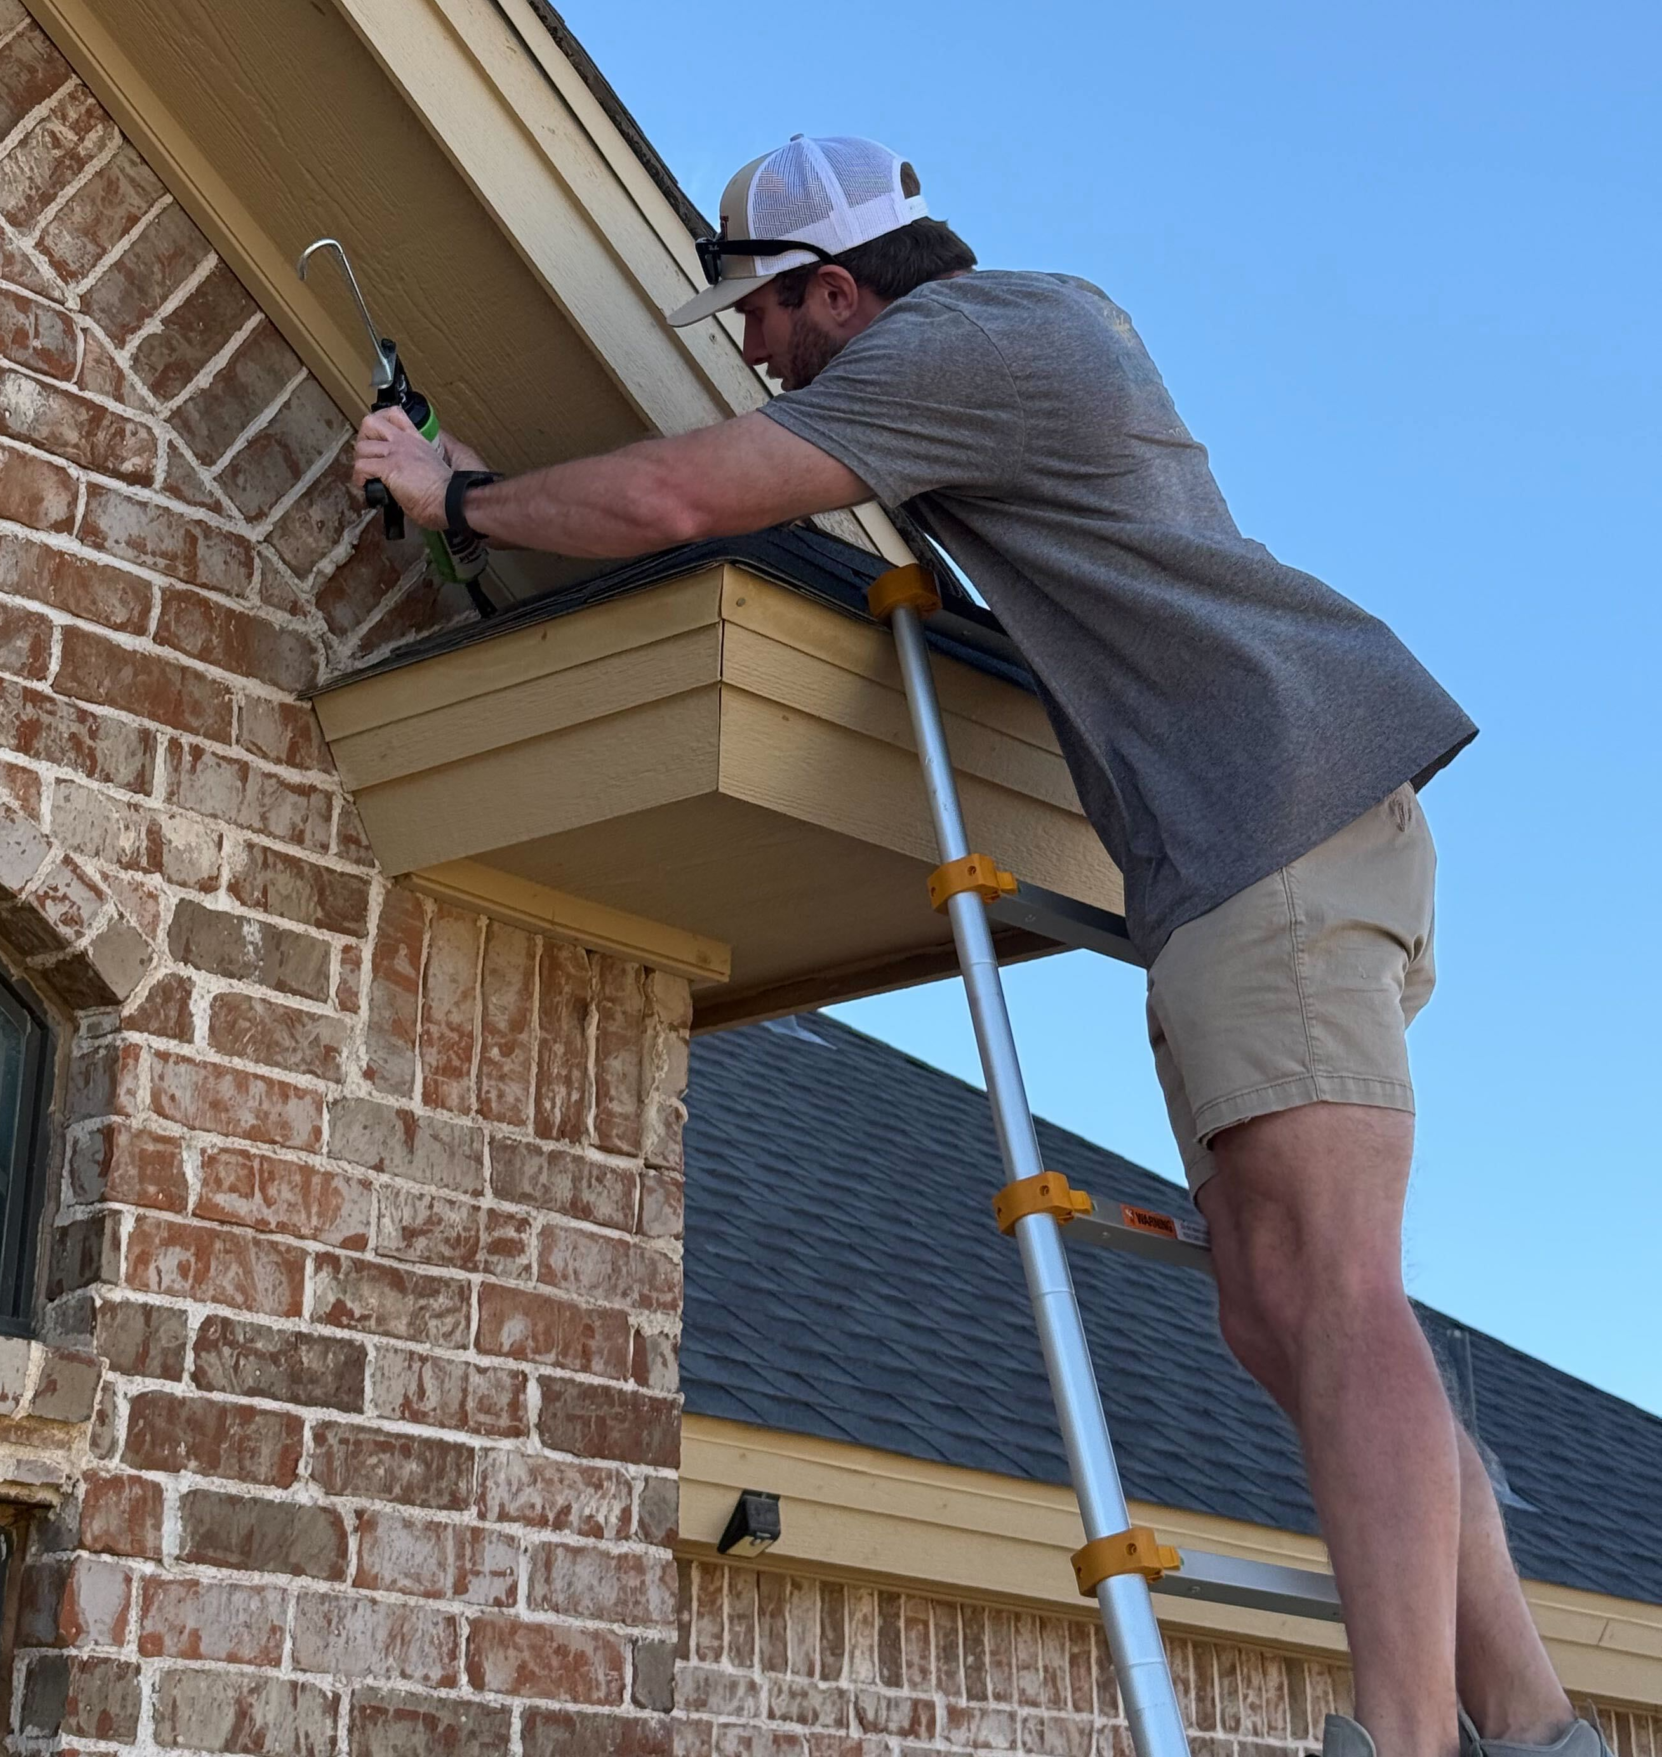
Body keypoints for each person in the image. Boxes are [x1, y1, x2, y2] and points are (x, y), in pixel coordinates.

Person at [350, 132, 1595, 1757]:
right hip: (1259, 839)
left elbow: (681, 488)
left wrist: (464, 494)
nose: (755, 358)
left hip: (1274, 816)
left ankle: (1408, 1740)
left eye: (763, 320)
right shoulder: (1012, 344)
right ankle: (1528, 1720)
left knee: (1329, 1287)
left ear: (839, 288)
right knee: (1275, 1309)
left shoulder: (969, 343)